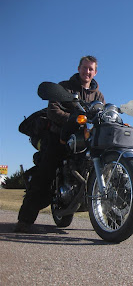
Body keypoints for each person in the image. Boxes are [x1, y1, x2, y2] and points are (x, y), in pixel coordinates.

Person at [14, 56, 105, 233]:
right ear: (79, 68)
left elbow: (98, 114)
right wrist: (72, 120)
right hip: (59, 135)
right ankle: (25, 220)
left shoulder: (98, 95)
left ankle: (115, 220)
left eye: (90, 69)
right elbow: (53, 111)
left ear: (95, 72)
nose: (87, 72)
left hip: (84, 138)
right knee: (46, 171)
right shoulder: (64, 87)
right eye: (84, 67)